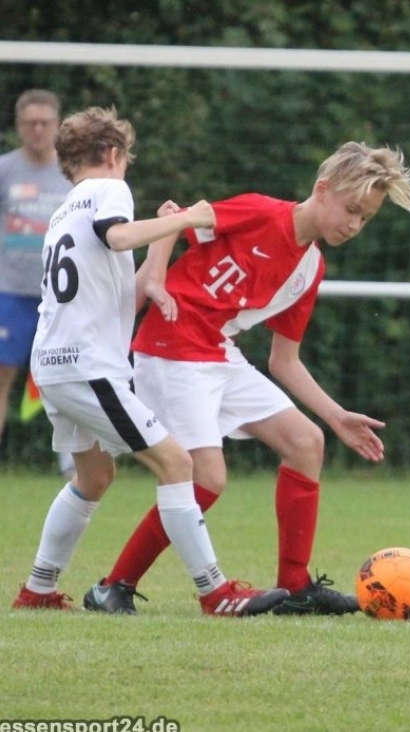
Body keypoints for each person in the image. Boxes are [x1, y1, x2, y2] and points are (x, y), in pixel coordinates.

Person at [81, 141, 410, 616]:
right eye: (351, 210)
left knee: (307, 442)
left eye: (365, 218)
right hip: (171, 346)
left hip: (218, 352)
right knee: (207, 478)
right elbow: (174, 220)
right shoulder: (260, 212)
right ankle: (114, 586)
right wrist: (153, 280)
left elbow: (285, 361)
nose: (354, 225)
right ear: (322, 189)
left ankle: (296, 587)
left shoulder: (310, 268)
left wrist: (336, 415)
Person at [11, 106, 286, 616]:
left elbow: (121, 292)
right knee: (177, 463)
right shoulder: (110, 190)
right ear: (113, 153)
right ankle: (215, 592)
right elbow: (118, 235)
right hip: (87, 367)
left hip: (54, 364)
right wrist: (188, 218)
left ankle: (37, 591)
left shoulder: (64, 212)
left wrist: (160, 242)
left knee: (94, 477)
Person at [0, 89, 74, 475]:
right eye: (31, 123)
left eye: (45, 122)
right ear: (19, 125)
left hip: (62, 296)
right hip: (10, 291)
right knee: (2, 377)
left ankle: (73, 464)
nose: (38, 130)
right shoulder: (5, 170)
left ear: (57, 125)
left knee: (69, 377)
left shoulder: (73, 173)